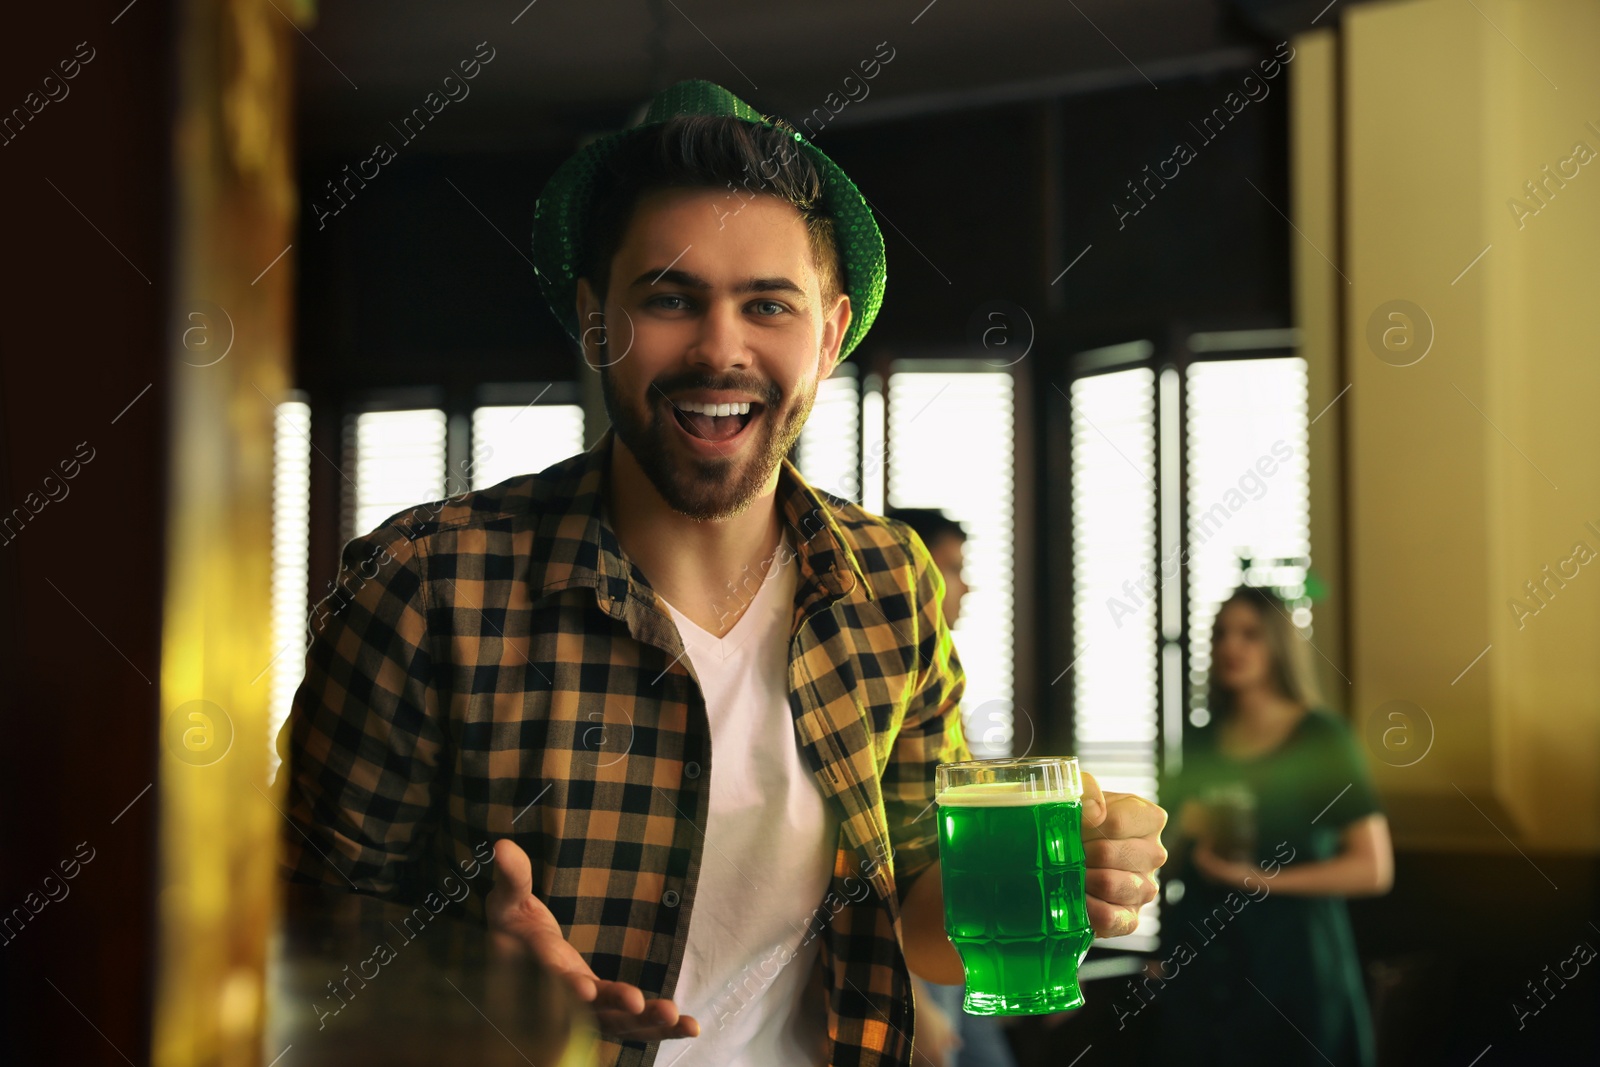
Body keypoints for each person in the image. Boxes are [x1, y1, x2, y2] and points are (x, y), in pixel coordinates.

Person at [276, 79, 1167, 1067]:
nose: (719, 348)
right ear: (592, 320)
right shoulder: (423, 583)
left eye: (767, 305)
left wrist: (1075, 869)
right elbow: (290, 935)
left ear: (827, 336)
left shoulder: (889, 582)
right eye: (669, 298)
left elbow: (916, 912)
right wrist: (466, 975)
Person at [1149, 586, 1393, 1067]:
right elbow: (1162, 860)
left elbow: (1373, 868)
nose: (1231, 647)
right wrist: (1184, 831)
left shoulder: (1322, 738)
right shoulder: (1201, 740)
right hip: (1205, 972)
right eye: (1221, 634)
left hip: (1295, 968)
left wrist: (1258, 881)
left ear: (1278, 644)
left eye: (1250, 634)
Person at [886, 508, 1019, 1067]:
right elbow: (852, 854)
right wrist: (909, 995)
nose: (964, 585)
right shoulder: (873, 688)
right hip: (904, 953)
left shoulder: (938, 681)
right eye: (949, 568)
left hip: (950, 929)